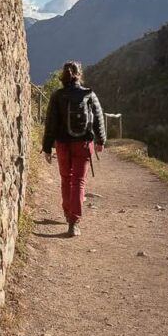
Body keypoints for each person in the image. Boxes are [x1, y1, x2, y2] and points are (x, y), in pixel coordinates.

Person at [42, 61, 106, 237]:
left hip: (62, 144)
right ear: (80, 75)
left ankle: (67, 212)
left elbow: (51, 124)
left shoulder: (57, 96)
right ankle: (74, 222)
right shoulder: (89, 94)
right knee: (79, 181)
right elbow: (99, 117)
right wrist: (101, 140)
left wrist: (47, 147)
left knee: (66, 179)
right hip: (83, 144)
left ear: (63, 75)